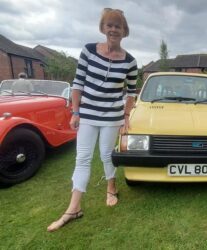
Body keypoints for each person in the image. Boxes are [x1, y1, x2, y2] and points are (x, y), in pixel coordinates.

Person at [47, 8, 137, 232]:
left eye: (118, 26)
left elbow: (131, 93)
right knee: (83, 157)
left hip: (112, 115)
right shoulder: (88, 51)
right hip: (87, 113)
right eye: (110, 25)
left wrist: (126, 115)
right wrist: (75, 112)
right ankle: (74, 208)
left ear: (124, 31)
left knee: (107, 155)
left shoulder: (130, 61)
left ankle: (111, 187)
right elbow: (78, 83)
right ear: (103, 28)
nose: (113, 29)